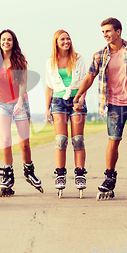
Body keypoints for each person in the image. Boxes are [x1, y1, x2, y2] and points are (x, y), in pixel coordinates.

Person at [73, 17, 127, 200]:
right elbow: (90, 77)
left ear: (118, 32)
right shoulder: (100, 55)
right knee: (114, 141)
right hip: (114, 104)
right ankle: (109, 177)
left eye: (108, 31)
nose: (105, 35)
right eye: (103, 32)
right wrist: (79, 94)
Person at [0, 29, 43, 197]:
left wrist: (21, 101)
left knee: (24, 143)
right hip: (2, 104)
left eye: (9, 40)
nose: (6, 42)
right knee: (6, 140)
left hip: (20, 102)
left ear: (13, 42)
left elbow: (23, 83)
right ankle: (7, 175)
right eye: (3, 40)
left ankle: (29, 171)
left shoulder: (20, 60)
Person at [45, 29, 88, 198]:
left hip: (76, 99)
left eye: (68, 38)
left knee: (78, 140)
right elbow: (49, 86)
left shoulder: (78, 58)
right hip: (58, 101)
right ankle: (60, 174)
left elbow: (86, 79)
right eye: (62, 39)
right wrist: (46, 108)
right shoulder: (50, 62)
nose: (66, 41)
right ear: (56, 42)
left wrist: (82, 98)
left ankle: (79, 173)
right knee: (61, 139)